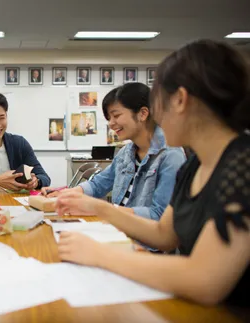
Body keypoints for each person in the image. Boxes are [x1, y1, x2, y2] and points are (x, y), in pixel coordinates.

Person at [55, 39, 250, 306]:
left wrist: (101, 254)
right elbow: (164, 234)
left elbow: (204, 280)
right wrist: (98, 208)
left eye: (159, 103)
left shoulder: (242, 166)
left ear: (180, 100)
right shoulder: (195, 165)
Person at [43, 83, 186, 228]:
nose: (111, 124)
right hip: (118, 230)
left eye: (116, 115)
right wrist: (68, 193)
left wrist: (103, 210)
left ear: (143, 113)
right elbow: (98, 184)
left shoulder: (171, 155)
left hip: (145, 244)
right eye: (109, 118)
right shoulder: (126, 152)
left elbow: (159, 216)